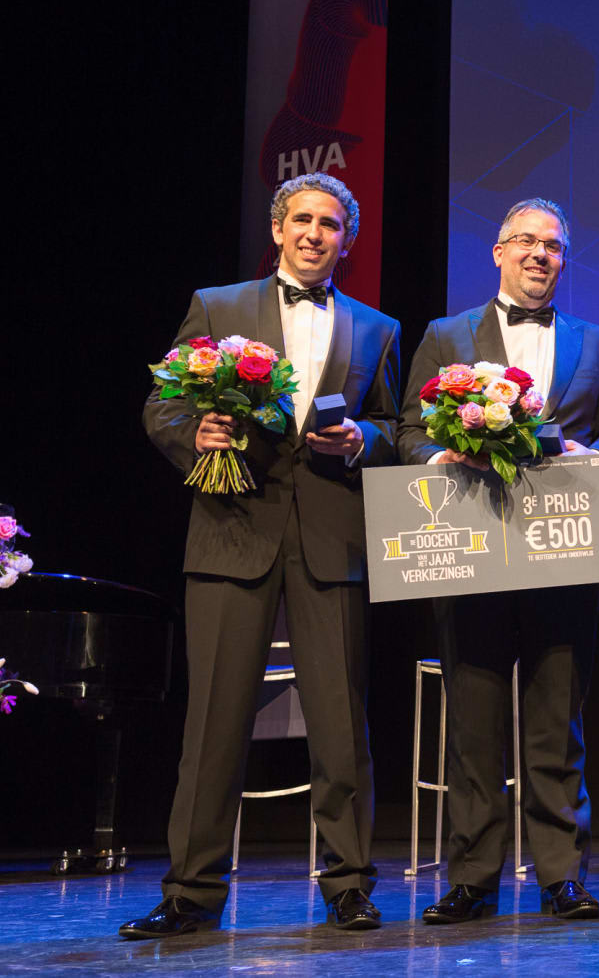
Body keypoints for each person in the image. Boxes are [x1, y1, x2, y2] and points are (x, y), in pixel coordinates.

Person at [127, 173, 400, 938]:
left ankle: (349, 883)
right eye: (302, 220)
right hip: (232, 528)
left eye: (330, 224)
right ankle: (191, 890)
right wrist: (195, 432)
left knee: (341, 724)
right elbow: (162, 401)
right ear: (278, 229)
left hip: (332, 540)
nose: (315, 233)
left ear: (347, 239)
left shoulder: (377, 328)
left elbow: (394, 425)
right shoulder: (219, 306)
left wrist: (362, 439)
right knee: (214, 721)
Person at [398, 199, 599, 923]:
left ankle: (561, 875)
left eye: (551, 245)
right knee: (474, 719)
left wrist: (594, 452)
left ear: (563, 259)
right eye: (524, 241)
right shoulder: (446, 334)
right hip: (472, 541)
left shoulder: (597, 342)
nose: (538, 254)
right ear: (498, 251)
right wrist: (438, 454)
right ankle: (473, 878)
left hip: (565, 543)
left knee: (558, 718)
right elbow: (406, 430)